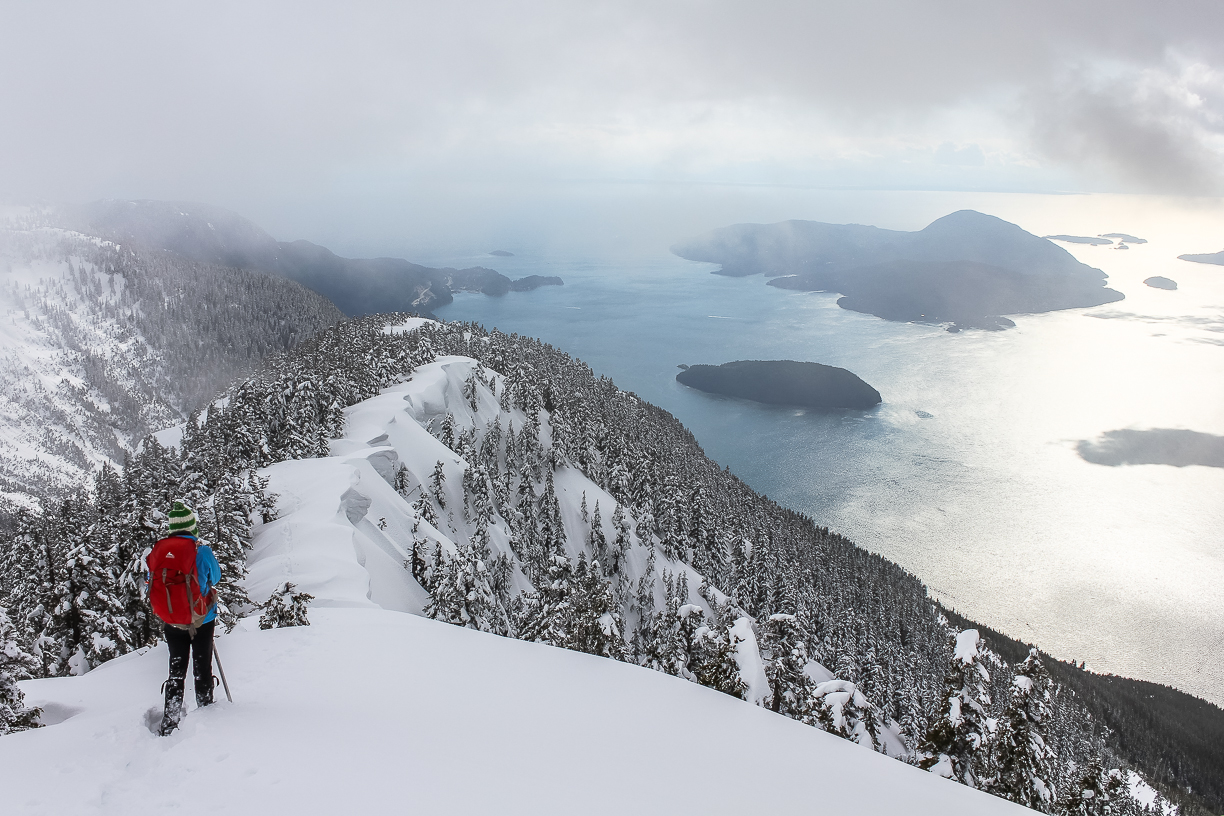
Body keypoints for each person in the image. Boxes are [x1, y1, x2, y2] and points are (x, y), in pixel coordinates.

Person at [152, 500, 222, 737]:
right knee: (202, 668)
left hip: (172, 621)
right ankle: (206, 715)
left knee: (176, 670)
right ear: (192, 527)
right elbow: (217, 576)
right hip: (201, 620)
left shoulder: (160, 550)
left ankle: (170, 721)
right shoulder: (201, 551)